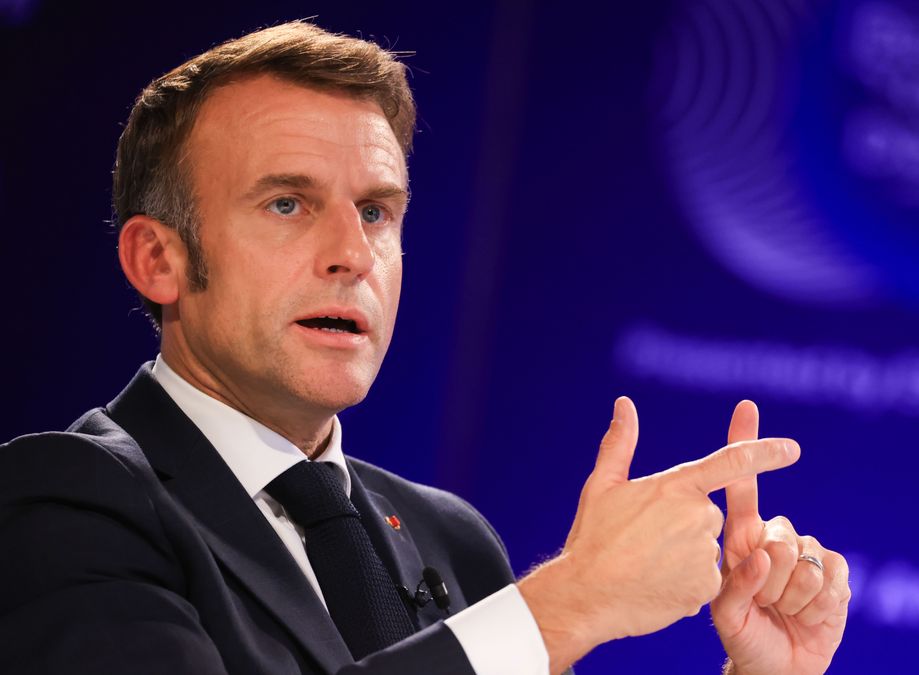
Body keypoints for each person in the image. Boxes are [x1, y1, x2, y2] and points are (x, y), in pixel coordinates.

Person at [0, 21, 850, 675]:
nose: (352, 252)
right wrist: (569, 601)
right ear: (161, 259)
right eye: (288, 204)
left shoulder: (452, 540)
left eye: (376, 211)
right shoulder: (63, 505)